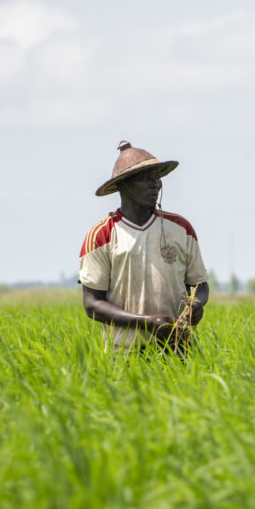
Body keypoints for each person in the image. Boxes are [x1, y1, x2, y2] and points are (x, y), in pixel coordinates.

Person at [79, 140, 209, 355]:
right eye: (145, 179)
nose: (155, 184)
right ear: (124, 184)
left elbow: (199, 285)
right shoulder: (101, 235)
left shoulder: (181, 229)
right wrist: (147, 322)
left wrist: (197, 304)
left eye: (157, 178)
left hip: (179, 349)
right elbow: (92, 305)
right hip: (124, 353)